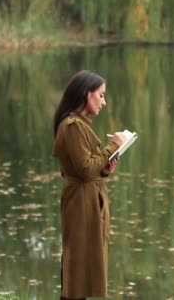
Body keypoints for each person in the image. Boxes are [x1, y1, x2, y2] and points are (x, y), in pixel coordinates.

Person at [52, 70, 126, 299]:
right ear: (86, 94)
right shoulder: (72, 126)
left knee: (86, 264)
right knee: (77, 266)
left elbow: (88, 167)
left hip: (89, 199)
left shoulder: (81, 124)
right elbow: (84, 168)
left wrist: (103, 170)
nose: (104, 102)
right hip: (80, 202)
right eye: (101, 95)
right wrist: (112, 146)